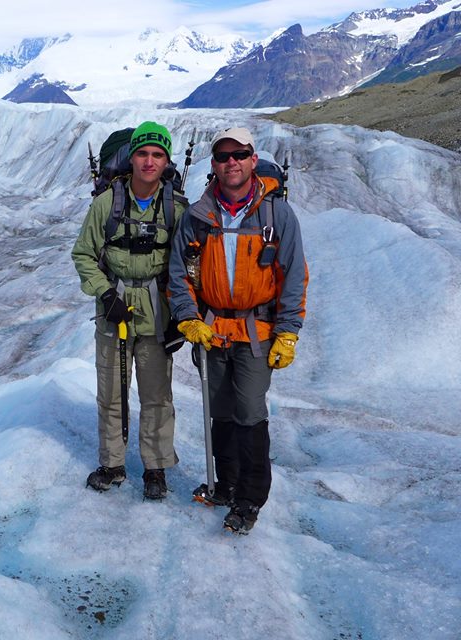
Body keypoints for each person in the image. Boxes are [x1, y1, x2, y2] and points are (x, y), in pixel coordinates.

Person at [168, 126, 308, 534]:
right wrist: (187, 316)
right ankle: (224, 485)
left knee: (249, 412)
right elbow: (180, 273)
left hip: (255, 332)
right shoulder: (199, 215)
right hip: (210, 329)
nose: (232, 163)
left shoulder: (275, 213)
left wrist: (288, 331)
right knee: (220, 412)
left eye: (239, 155)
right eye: (224, 156)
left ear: (252, 160)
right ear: (214, 165)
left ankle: (250, 498)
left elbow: (294, 274)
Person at [72, 121, 185, 500]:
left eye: (157, 154)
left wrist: (182, 317)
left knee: (156, 396)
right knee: (112, 393)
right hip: (113, 310)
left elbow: (188, 265)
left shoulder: (175, 208)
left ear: (166, 160)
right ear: (132, 157)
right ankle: (112, 463)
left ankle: (155, 468)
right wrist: (106, 295)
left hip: (157, 314)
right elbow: (84, 254)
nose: (149, 161)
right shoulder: (106, 204)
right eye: (142, 153)